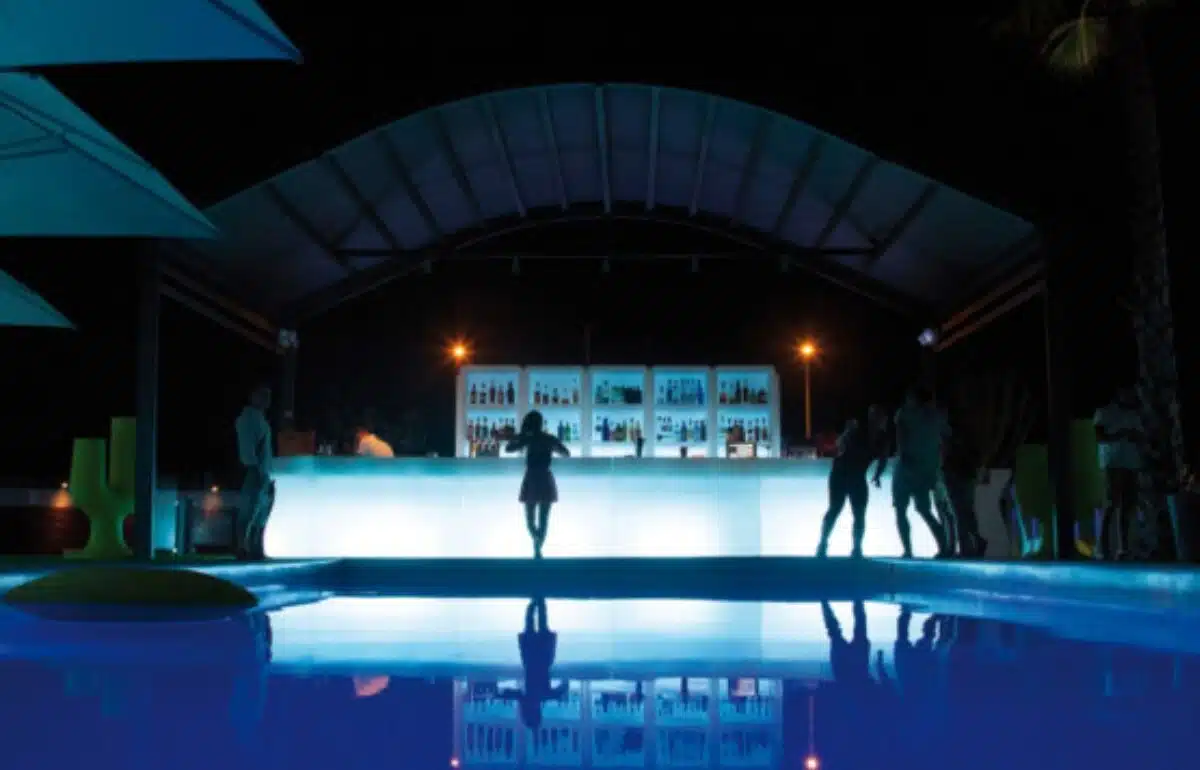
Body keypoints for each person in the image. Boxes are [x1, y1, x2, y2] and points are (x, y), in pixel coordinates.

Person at [816, 405, 890, 558]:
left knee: (858, 513)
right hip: (841, 474)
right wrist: (846, 434)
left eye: (879, 418)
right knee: (836, 509)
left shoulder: (881, 438)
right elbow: (840, 445)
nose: (877, 421)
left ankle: (856, 548)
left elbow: (883, 459)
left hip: (855, 476)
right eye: (874, 417)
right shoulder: (857, 430)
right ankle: (823, 543)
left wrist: (878, 475)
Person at [893, 386, 949, 558]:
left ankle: (908, 550)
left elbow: (900, 438)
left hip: (907, 468)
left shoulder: (904, 414)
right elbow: (944, 439)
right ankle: (943, 545)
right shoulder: (937, 416)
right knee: (924, 510)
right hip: (925, 470)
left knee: (901, 509)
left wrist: (903, 455)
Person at [506, 410, 569, 559]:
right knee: (543, 519)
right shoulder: (548, 438)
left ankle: (536, 544)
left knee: (530, 520)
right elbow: (566, 453)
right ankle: (537, 549)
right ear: (541, 423)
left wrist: (519, 436)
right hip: (545, 477)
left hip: (531, 478)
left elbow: (508, 449)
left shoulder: (528, 439)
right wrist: (554, 447)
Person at [500, 597, 568, 734]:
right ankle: (534, 603)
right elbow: (512, 693)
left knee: (542, 625)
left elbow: (561, 690)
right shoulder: (527, 698)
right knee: (530, 626)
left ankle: (539, 602)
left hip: (543, 658)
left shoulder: (543, 696)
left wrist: (565, 682)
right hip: (531, 658)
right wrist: (501, 693)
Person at [1094, 387, 1143, 560]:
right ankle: (1102, 547)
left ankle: (1123, 547)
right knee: (1111, 504)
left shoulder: (1134, 414)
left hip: (1131, 463)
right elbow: (1099, 436)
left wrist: (1136, 437)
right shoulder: (1104, 412)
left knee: (1127, 506)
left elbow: (1140, 436)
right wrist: (1120, 435)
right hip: (1113, 463)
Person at [234, 385, 275, 560]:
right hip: (255, 470)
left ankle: (254, 547)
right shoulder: (249, 419)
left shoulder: (259, 419)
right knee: (250, 510)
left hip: (261, 471)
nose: (267, 400)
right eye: (262, 395)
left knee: (259, 512)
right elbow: (248, 448)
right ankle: (244, 547)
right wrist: (255, 468)